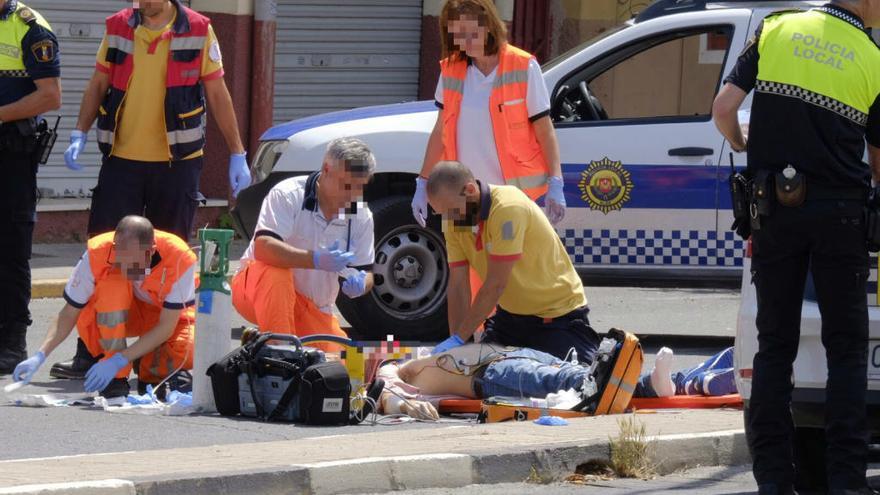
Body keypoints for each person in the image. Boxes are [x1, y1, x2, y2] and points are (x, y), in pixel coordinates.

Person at [712, 2, 880, 493]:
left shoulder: (776, 27)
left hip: (774, 211)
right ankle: (846, 482)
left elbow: (723, 109)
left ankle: (774, 481)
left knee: (774, 347)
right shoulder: (871, 57)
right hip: (842, 219)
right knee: (846, 351)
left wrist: (741, 142)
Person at [51, 0, 251, 380]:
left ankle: (157, 357)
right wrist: (79, 130)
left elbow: (218, 93)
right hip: (121, 161)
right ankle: (90, 353)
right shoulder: (119, 26)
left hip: (176, 164)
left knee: (166, 260)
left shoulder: (198, 29)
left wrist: (237, 152)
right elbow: (98, 82)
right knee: (106, 257)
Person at [411, 0, 565, 228]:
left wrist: (556, 181)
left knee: (504, 261)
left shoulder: (523, 66)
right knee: (465, 262)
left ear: (489, 25)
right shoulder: (451, 70)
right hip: (463, 195)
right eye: (458, 36)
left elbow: (544, 130)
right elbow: (440, 131)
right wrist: (422, 182)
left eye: (472, 33)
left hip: (511, 194)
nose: (465, 42)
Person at [426, 160, 598, 361]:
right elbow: (457, 285)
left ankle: (641, 381)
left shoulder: (508, 208)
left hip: (557, 319)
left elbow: (495, 285)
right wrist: (455, 348)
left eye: (451, 210)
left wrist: (459, 338)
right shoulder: (454, 220)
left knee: (581, 382)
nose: (448, 219)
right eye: (442, 214)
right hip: (511, 321)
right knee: (479, 375)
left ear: (470, 190)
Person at [12, 216, 197, 399]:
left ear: (151, 251)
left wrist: (122, 359)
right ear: (115, 247)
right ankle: (116, 377)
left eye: (134, 263)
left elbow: (166, 326)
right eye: (121, 260)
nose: (127, 270)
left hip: (161, 317)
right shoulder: (97, 253)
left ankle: (146, 365)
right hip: (125, 315)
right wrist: (40, 355)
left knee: (188, 348)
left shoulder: (179, 258)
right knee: (112, 286)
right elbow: (69, 313)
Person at [231, 138, 376, 352]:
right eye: (346, 185)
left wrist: (362, 283)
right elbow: (263, 247)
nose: (352, 195)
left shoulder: (361, 215)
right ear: (326, 169)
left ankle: (264, 346)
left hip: (311, 308)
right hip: (256, 290)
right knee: (276, 274)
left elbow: (367, 271)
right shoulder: (288, 194)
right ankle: (280, 353)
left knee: (343, 368)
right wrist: (316, 259)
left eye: (359, 187)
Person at [377, 344, 738, 420]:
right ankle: (684, 382)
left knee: (579, 375)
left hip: (511, 358)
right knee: (584, 381)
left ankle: (685, 381)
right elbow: (387, 396)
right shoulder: (390, 376)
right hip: (491, 376)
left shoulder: (410, 361)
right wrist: (401, 395)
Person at [0, 0, 61, 375]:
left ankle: (11, 341)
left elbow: (50, 95)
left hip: (11, 154)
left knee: (10, 246)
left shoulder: (31, 27)